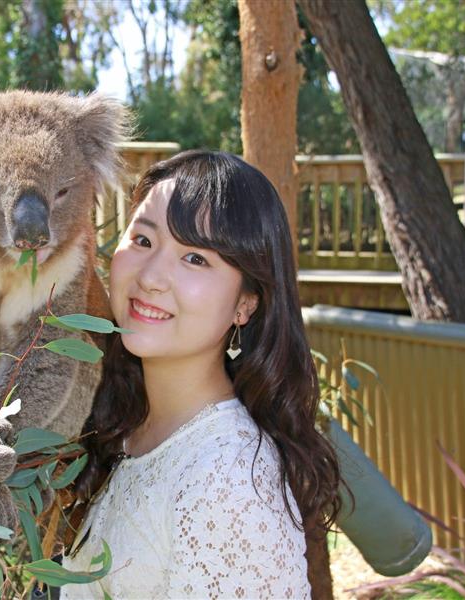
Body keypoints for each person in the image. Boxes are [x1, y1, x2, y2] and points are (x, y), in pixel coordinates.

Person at [59, 151, 342, 599]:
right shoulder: (124, 427)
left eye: (194, 258)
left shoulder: (228, 481)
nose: (151, 277)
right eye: (143, 240)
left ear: (245, 303)